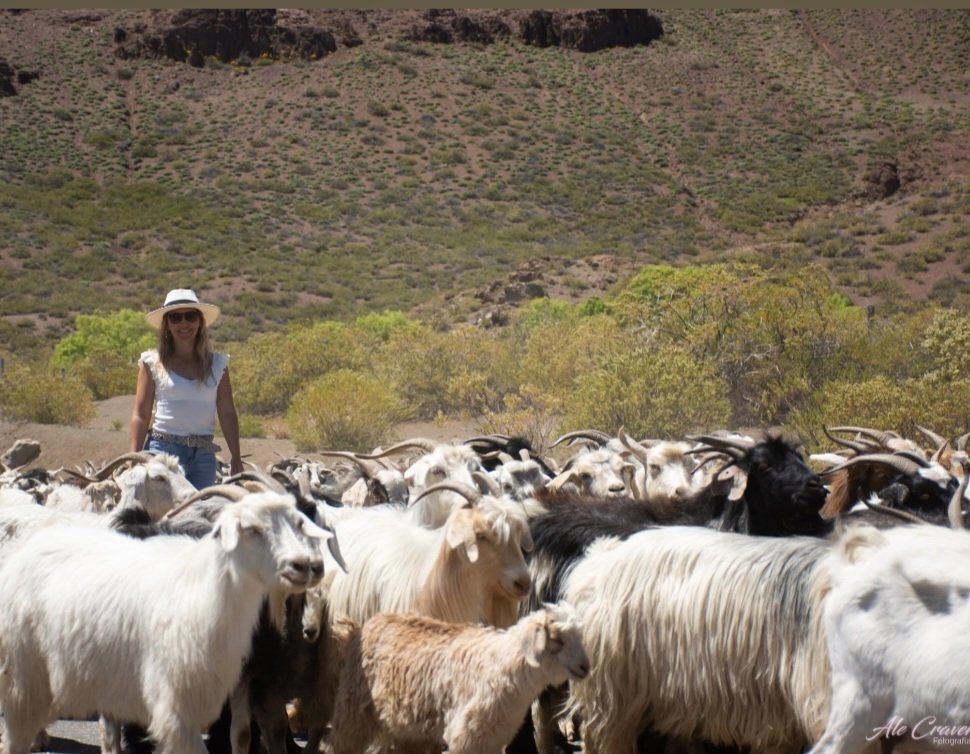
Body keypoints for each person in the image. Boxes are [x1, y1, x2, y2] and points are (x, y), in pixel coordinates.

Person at [129, 288, 243, 489]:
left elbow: (227, 413)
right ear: (167, 325)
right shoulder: (153, 362)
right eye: (176, 317)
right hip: (163, 453)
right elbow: (141, 412)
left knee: (199, 516)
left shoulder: (217, 364)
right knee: (162, 516)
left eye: (191, 316)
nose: (184, 323)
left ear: (200, 322)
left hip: (204, 457)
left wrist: (236, 457)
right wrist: (134, 458)